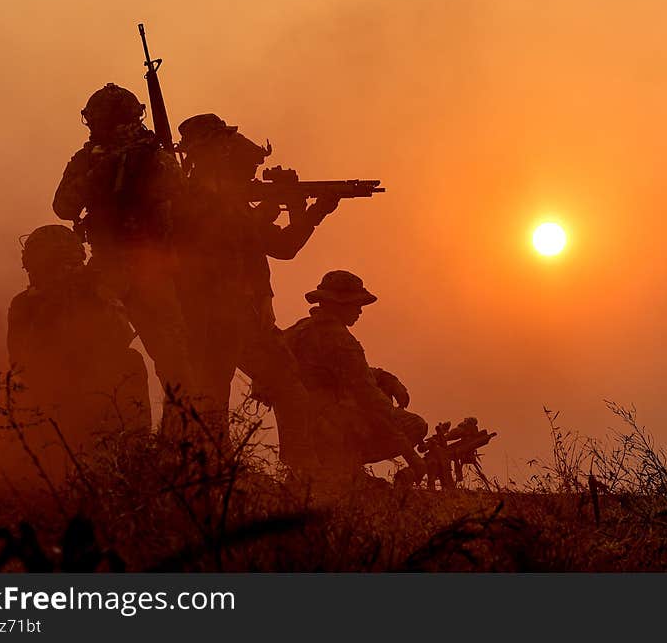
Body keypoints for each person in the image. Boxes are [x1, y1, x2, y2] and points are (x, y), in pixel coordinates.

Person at [175, 113, 339, 472]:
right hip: (223, 316)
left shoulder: (219, 199)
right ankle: (287, 473)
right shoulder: (202, 199)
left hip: (231, 315)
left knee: (219, 394)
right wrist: (293, 210)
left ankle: (217, 470)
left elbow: (281, 245)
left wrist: (309, 210)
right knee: (235, 394)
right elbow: (275, 244)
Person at [51, 84, 195, 420]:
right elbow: (63, 205)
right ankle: (143, 440)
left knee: (167, 362)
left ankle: (167, 444)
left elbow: (185, 209)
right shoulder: (103, 159)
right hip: (126, 268)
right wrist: (103, 172)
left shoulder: (143, 158)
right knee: (106, 352)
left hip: (136, 268)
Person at [7, 225, 151, 476]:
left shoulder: (93, 288)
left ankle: (131, 459)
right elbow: (19, 362)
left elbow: (118, 336)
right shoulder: (26, 303)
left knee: (130, 362)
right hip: (55, 397)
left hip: (94, 394)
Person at [282, 271, 428, 481]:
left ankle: (333, 469)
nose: (360, 310)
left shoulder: (300, 329)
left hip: (301, 428)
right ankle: (342, 468)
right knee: (415, 424)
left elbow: (351, 373)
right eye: (355, 304)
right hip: (326, 429)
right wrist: (412, 456)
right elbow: (370, 398)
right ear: (338, 304)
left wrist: (386, 378)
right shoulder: (340, 340)